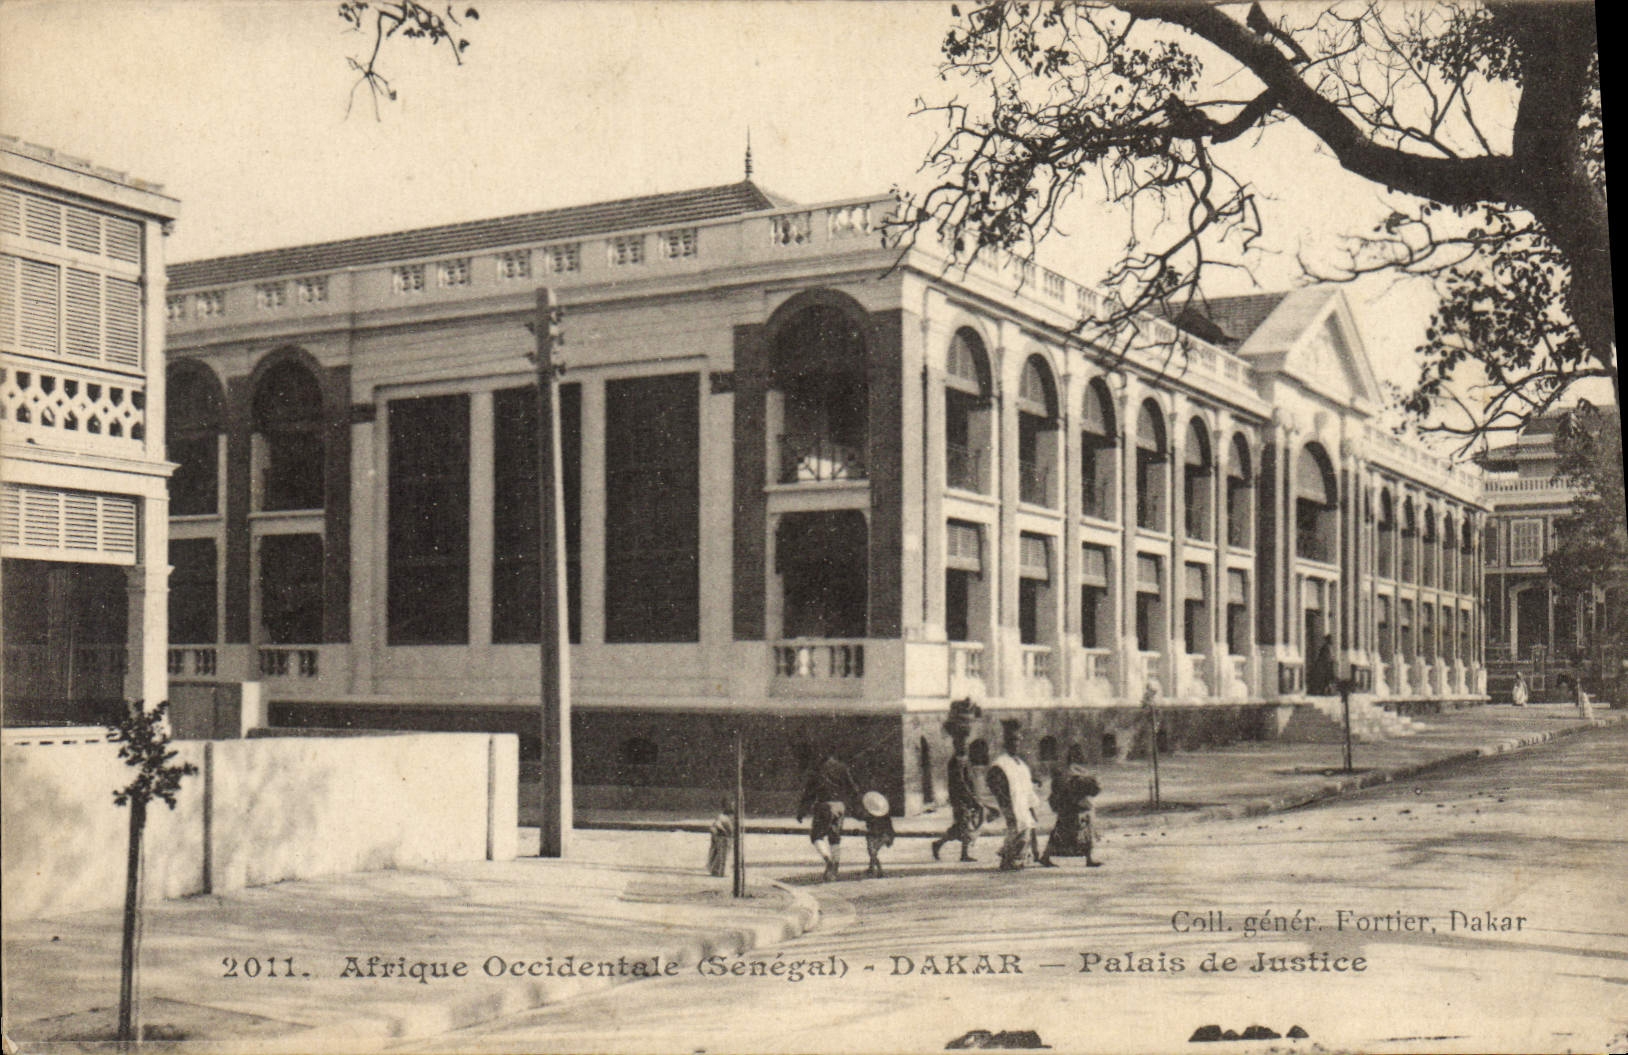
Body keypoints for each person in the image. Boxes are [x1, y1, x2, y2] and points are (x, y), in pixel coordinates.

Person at [796, 750, 862, 881]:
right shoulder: (842, 768)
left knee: (816, 836)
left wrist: (802, 812)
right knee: (835, 838)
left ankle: (828, 860)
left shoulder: (816, 771)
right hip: (840, 806)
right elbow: (854, 789)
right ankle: (834, 872)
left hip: (824, 805)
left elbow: (809, 795)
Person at [931, 699, 983, 863]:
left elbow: (967, 779)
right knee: (964, 824)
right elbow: (960, 782)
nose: (964, 746)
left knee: (961, 827)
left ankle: (939, 844)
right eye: (962, 744)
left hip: (964, 797)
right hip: (960, 798)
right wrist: (972, 798)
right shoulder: (956, 760)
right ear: (957, 745)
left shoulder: (963, 759)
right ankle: (962, 853)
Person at [986, 719, 1041, 871]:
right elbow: (992, 781)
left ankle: (1015, 858)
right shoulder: (1001, 763)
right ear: (1006, 744)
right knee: (1017, 830)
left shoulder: (1020, 764)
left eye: (1017, 742)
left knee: (1025, 829)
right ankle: (1007, 860)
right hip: (1010, 803)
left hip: (1022, 803)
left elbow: (1026, 785)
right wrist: (1003, 799)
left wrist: (1031, 806)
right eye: (1012, 742)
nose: (1015, 745)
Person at [1041, 746, 1102, 868]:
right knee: (1061, 832)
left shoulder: (1077, 770)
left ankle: (1089, 858)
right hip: (1069, 807)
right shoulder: (1066, 771)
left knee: (1085, 832)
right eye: (1076, 755)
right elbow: (1061, 789)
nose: (1079, 757)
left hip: (1078, 806)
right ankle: (1045, 857)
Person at [862, 791, 895, 878]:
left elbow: (888, 830)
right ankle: (872, 868)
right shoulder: (877, 816)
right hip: (877, 835)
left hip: (881, 835)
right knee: (872, 851)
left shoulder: (881, 817)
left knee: (872, 852)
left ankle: (879, 870)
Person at [706, 799, 734, 878]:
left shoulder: (727, 817)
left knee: (720, 853)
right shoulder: (722, 817)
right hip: (722, 837)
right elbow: (716, 825)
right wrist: (722, 831)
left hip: (725, 836)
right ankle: (719, 871)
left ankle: (716, 869)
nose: (732, 806)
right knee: (722, 854)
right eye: (730, 805)